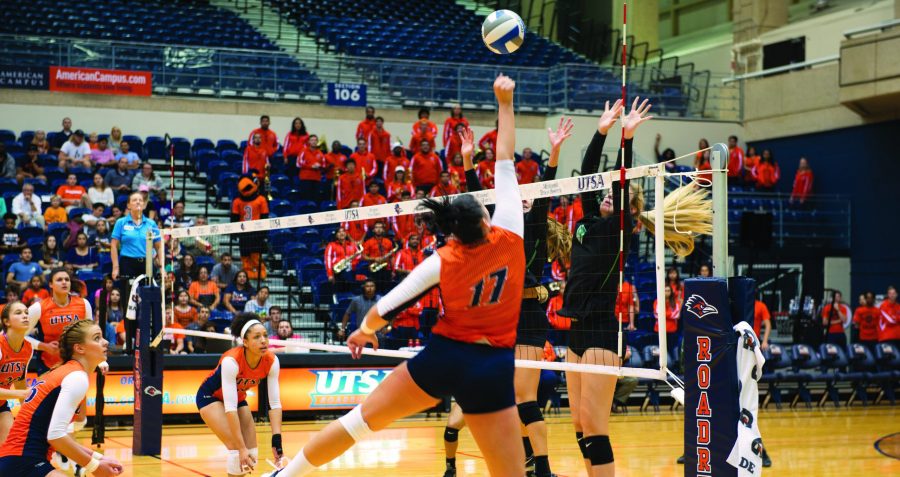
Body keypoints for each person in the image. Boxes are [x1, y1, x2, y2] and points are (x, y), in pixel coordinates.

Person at [264, 74, 526, 477]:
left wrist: (364, 331)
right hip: (491, 366)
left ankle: (285, 474)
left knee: (358, 421)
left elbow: (387, 306)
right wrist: (504, 103)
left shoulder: (444, 257)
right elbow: (505, 159)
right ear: (486, 220)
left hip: (444, 356)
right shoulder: (511, 234)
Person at [458, 116, 572, 477]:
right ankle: (524, 456)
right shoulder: (496, 227)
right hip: (499, 320)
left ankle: (543, 468)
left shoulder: (536, 224)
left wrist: (554, 151)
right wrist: (467, 159)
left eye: (526, 199)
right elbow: (477, 196)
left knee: (525, 398)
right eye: (516, 199)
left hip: (528, 320)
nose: (520, 202)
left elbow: (547, 187)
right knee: (506, 398)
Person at [555, 96, 649, 477]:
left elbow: (621, 182)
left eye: (615, 195)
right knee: (578, 424)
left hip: (601, 332)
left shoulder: (617, 231)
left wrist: (625, 140)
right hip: (576, 328)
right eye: (606, 192)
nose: (608, 193)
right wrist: (601, 130)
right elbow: (590, 174)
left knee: (595, 426)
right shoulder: (588, 219)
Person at [0, 320, 124, 477]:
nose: (106, 342)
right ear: (79, 348)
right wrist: (94, 467)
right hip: (23, 462)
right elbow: (55, 436)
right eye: (97, 338)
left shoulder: (68, 372)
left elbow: (55, 435)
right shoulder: (76, 377)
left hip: (20, 461)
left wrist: (99, 458)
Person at [198, 313, 283, 476]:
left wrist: (276, 439)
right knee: (238, 450)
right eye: (257, 337)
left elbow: (275, 403)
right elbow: (230, 408)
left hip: (238, 399)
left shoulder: (272, 361)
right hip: (210, 397)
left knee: (251, 453)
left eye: (265, 335)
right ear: (245, 342)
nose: (264, 340)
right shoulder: (232, 361)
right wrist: (241, 447)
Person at [110, 192, 163, 353]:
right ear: (129, 205)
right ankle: (130, 344)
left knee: (146, 304)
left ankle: (146, 342)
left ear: (145, 205)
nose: (138, 202)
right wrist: (116, 267)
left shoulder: (151, 223)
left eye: (141, 200)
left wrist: (161, 266)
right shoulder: (121, 222)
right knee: (129, 305)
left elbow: (159, 246)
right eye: (134, 200)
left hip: (147, 265)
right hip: (128, 265)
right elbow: (113, 245)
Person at [27, 268, 94, 375]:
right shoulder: (38, 308)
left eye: (67, 279)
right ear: (50, 284)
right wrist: (44, 346)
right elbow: (19, 336)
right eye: (59, 280)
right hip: (48, 365)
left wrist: (100, 360)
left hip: (77, 365)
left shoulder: (84, 304)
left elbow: (92, 335)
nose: (64, 282)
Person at [0, 301, 32, 443]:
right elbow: (21, 391)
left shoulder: (28, 348)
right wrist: (21, 394)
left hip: (1, 404)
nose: (25, 316)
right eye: (18, 313)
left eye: (26, 312)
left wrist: (29, 413)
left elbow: (20, 383)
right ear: (6, 321)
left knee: (7, 447)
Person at [231, 178, 269, 280]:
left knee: (255, 256)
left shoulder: (260, 200)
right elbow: (234, 218)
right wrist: (234, 232)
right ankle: (250, 274)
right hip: (245, 233)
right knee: (245, 257)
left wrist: (264, 233)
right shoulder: (260, 199)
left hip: (255, 233)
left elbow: (265, 217)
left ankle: (259, 273)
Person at [362, 222, 395, 292]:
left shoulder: (388, 241)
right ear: (373, 230)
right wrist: (374, 259)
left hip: (387, 269)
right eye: (377, 227)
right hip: (374, 269)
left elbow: (392, 257)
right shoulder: (368, 242)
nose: (379, 229)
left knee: (387, 291)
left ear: (383, 230)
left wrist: (393, 270)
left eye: (380, 227)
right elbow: (364, 256)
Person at [324, 228, 358, 293]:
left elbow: (358, 256)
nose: (342, 233)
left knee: (351, 292)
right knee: (340, 292)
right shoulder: (331, 245)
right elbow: (327, 260)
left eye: (343, 231)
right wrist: (330, 274)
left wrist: (352, 264)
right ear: (336, 235)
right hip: (337, 272)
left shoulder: (352, 244)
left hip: (350, 272)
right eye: (339, 232)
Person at [654, 285, 682, 356]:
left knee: (671, 350)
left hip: (672, 330)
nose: (666, 292)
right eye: (665, 290)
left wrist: (663, 314)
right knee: (661, 350)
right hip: (660, 330)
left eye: (668, 291)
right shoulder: (657, 301)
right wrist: (670, 315)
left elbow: (677, 315)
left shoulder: (676, 302)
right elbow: (657, 314)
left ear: (671, 292)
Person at [297, 135, 324, 202]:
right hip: (305, 179)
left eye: (315, 140)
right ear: (309, 141)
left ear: (317, 142)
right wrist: (311, 166)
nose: (314, 142)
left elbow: (324, 165)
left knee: (315, 200)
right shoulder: (303, 151)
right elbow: (298, 163)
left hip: (316, 179)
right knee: (306, 200)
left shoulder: (320, 153)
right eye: (312, 140)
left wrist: (319, 166)